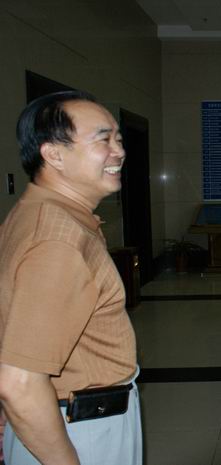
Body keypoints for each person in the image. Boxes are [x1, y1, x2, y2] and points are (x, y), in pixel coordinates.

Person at [0, 91, 142, 465]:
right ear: (54, 155)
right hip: (76, 432)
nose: (119, 151)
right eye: (103, 140)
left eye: (119, 139)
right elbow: (19, 382)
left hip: (51, 420)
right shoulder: (59, 239)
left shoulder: (34, 212)